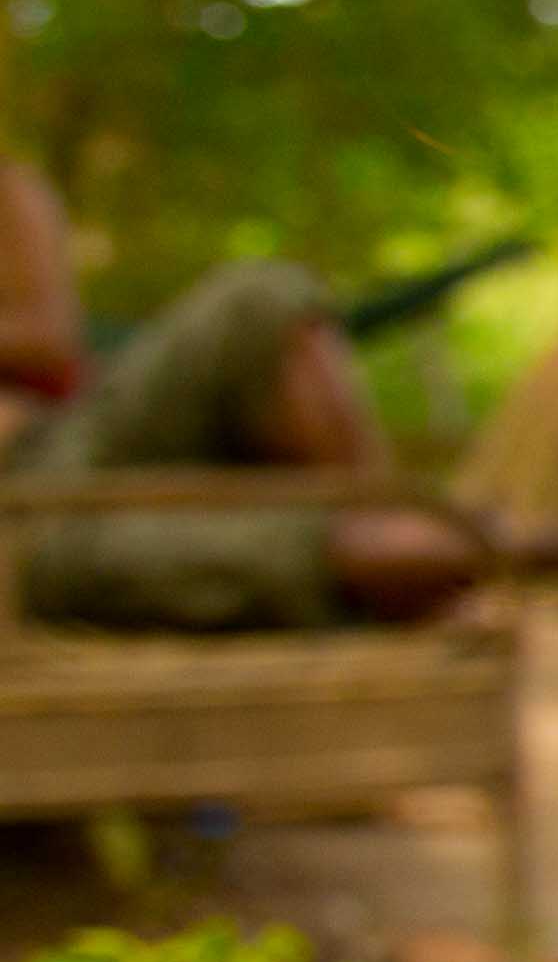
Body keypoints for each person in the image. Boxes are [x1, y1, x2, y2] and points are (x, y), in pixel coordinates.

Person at [0, 161, 488, 630]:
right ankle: (505, 548)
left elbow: (48, 340)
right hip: (26, 527)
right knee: (262, 553)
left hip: (64, 433)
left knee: (260, 297)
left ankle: (390, 517)